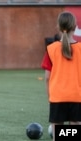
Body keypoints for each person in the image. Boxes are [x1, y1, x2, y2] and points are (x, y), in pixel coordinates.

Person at [41, 11, 81, 141]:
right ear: (75, 27)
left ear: (58, 27)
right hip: (77, 97)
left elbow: (47, 78)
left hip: (57, 98)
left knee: (58, 135)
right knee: (74, 132)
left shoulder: (51, 49)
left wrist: (50, 98)